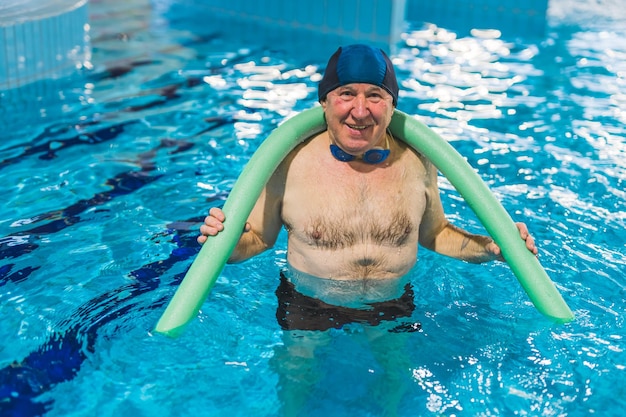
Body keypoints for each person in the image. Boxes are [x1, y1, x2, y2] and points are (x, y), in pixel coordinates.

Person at [198, 44, 538, 415]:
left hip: (390, 299)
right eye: (347, 94)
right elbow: (260, 239)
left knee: (396, 377)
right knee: (295, 377)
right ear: (324, 103)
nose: (360, 111)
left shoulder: (418, 161)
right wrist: (222, 244)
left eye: (374, 96)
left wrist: (491, 248)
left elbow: (435, 234)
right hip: (309, 302)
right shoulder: (289, 161)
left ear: (392, 105)